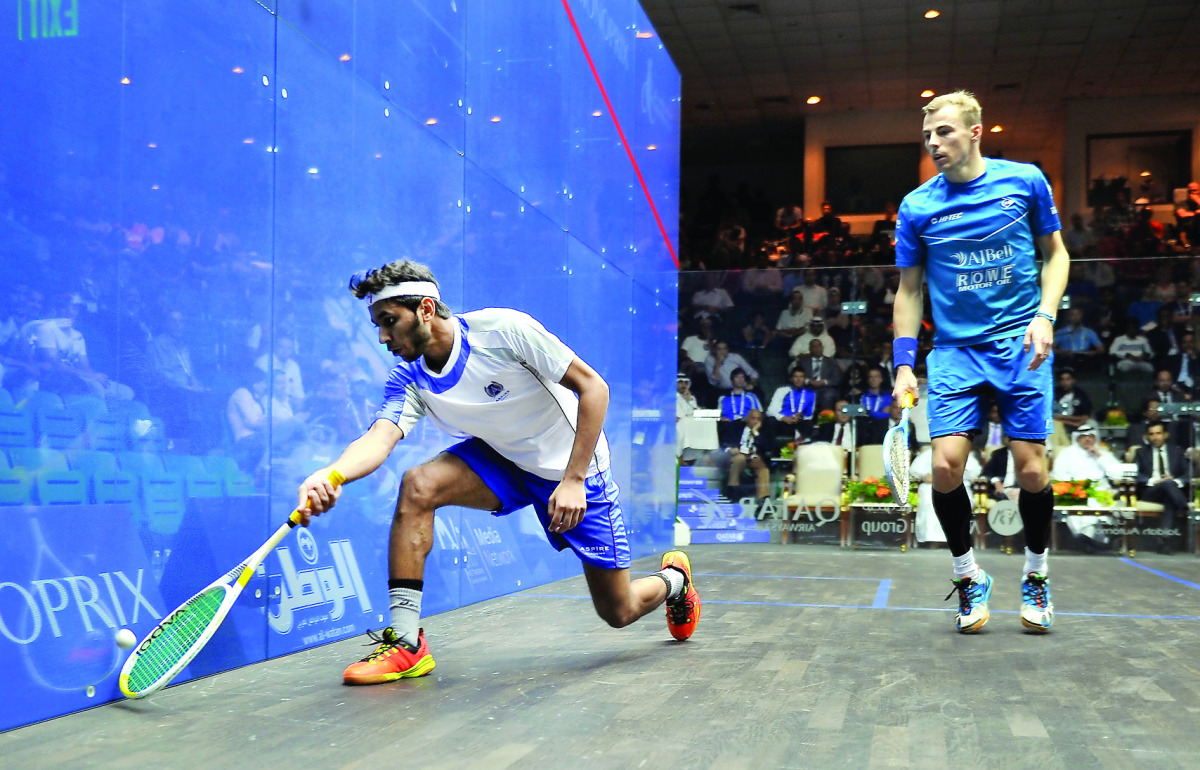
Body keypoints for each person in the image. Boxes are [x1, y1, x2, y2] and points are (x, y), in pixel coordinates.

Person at [296, 260, 701, 685]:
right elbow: (378, 439)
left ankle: (675, 580)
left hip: (573, 469)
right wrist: (332, 474)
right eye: (378, 324)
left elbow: (593, 387)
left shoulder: (504, 330)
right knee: (418, 485)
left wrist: (574, 479)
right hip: (504, 459)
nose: (382, 337)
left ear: (427, 310)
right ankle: (407, 644)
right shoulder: (408, 377)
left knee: (619, 611)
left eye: (389, 321)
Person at [891, 91, 1069, 634]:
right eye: (927, 136)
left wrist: (1046, 315)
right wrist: (903, 364)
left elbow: (1056, 255)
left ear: (976, 131)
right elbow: (909, 290)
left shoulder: (1025, 181)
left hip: (1021, 342)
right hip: (954, 352)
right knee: (945, 466)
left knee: (1031, 468)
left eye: (944, 132)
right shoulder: (917, 205)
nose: (934, 143)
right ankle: (969, 575)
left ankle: (1036, 574)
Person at [1133, 421, 1192, 555]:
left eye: (1158, 433)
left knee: (1169, 498)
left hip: (1171, 490)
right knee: (1166, 485)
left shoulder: (1176, 451)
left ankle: (1164, 542)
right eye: (1151, 434)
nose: (1155, 437)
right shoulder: (1141, 452)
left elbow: (1188, 474)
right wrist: (1154, 481)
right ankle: (1186, 508)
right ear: (1147, 436)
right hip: (1150, 491)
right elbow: (1135, 474)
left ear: (1166, 434)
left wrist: (1175, 481)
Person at [766, 367, 816, 443]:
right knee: (771, 421)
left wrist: (801, 415)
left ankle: (804, 449)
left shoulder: (811, 394)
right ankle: (770, 450)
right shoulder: (782, 391)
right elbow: (770, 411)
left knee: (808, 423)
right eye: (796, 377)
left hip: (799, 422)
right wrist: (784, 418)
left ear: (804, 379)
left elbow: (810, 414)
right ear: (791, 379)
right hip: (783, 422)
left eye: (801, 377)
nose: (798, 379)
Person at [1052, 307, 1105, 373]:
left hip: (1084, 358)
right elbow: (1051, 348)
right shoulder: (1062, 332)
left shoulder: (1089, 332)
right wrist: (1063, 352)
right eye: (1073, 315)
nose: (1076, 317)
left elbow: (1101, 349)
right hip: (1067, 358)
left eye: (1078, 314)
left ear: (1081, 316)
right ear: (1069, 317)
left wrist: (1093, 353)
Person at [1173, 181, 1200, 248]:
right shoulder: (1181, 203)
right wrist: (1196, 213)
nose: (1191, 193)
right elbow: (1182, 214)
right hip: (1186, 234)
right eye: (1189, 191)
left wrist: (1198, 201)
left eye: (1194, 190)